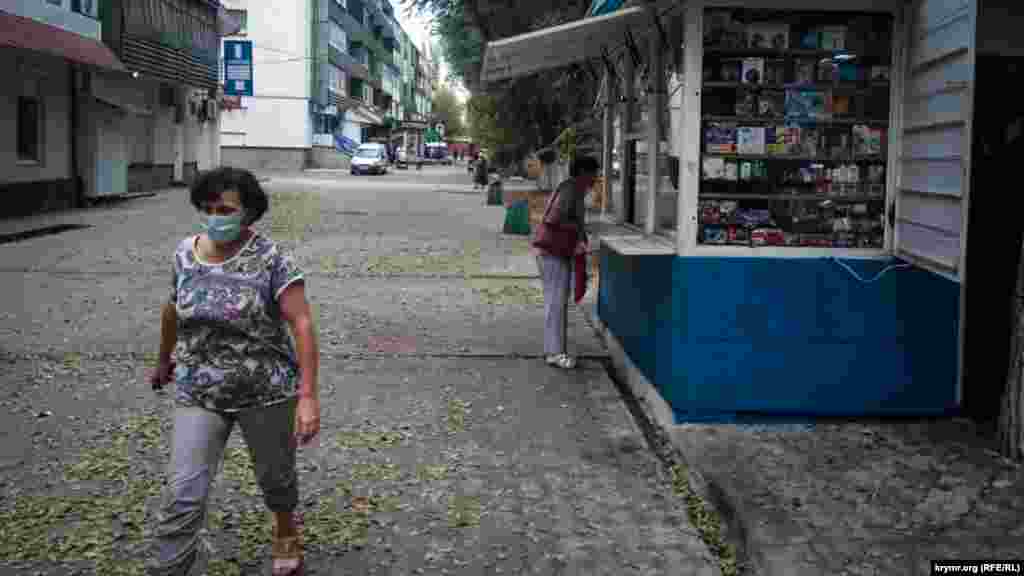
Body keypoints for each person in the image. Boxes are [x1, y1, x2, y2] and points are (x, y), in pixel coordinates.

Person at [148, 167, 320, 576]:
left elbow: (301, 323)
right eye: (207, 208)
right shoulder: (184, 253)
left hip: (265, 390)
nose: (214, 216)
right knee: (183, 492)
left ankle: (284, 527)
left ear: (249, 213)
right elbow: (173, 308)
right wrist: (162, 359)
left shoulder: (272, 259)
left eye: (225, 209)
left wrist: (309, 396)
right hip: (198, 390)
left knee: (276, 478)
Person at [533, 155, 600, 370]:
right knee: (556, 303)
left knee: (557, 302)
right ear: (582, 172)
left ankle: (555, 350)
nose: (595, 178)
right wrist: (577, 235)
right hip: (553, 253)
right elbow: (554, 219)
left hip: (555, 252)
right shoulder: (571, 190)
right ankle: (554, 353)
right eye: (593, 173)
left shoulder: (572, 188)